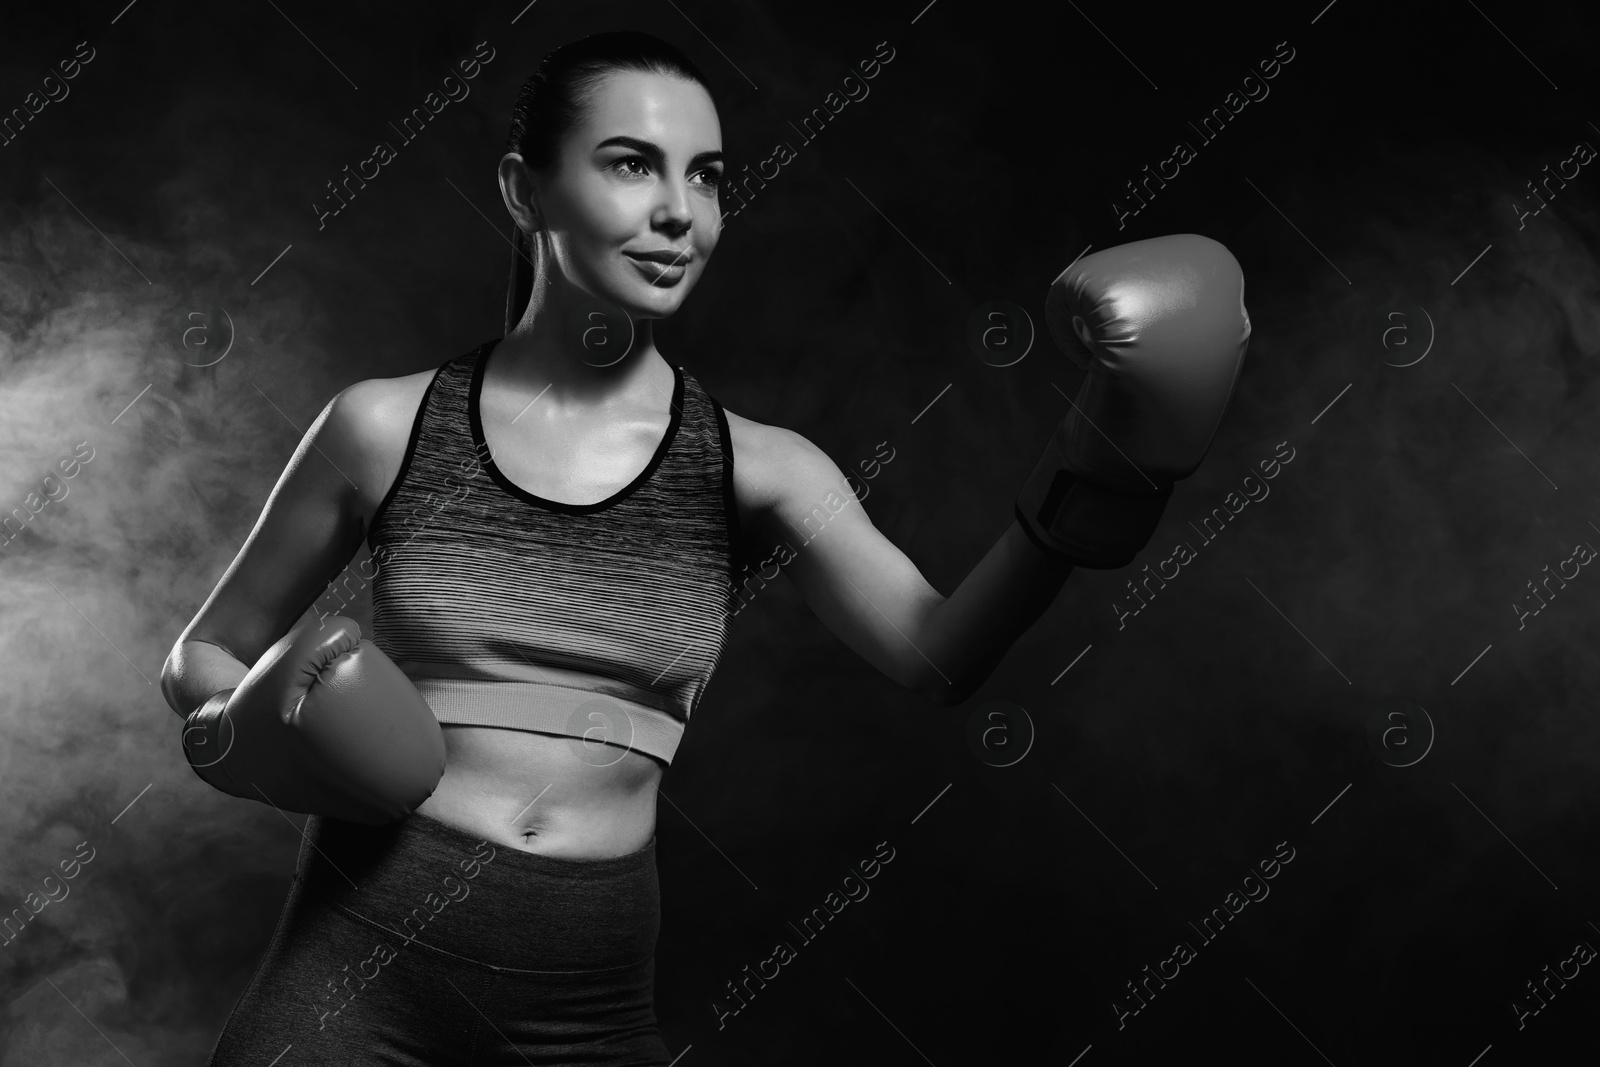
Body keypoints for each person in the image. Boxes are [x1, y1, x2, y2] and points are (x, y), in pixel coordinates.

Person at [159, 29, 1249, 1067]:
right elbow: (202, 653)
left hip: (581, 997)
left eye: (708, 175)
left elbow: (938, 654)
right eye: (632, 165)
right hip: (358, 965)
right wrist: (250, 729)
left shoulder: (762, 467)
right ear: (523, 189)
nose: (678, 212)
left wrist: (1099, 472)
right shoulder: (382, 425)